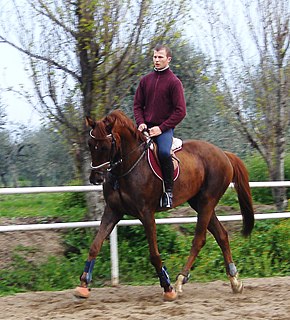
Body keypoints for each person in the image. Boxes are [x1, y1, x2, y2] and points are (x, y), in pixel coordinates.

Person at [133, 44, 186, 208]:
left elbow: (180, 111)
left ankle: (168, 192)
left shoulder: (174, 82)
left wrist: (161, 128)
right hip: (145, 128)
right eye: (155, 57)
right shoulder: (145, 81)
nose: (156, 60)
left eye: (160, 57)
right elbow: (137, 105)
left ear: (168, 59)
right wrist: (141, 122)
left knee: (163, 152)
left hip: (164, 130)